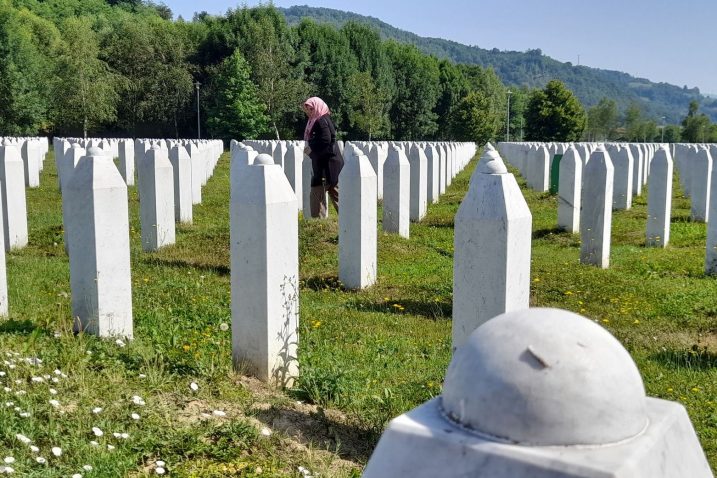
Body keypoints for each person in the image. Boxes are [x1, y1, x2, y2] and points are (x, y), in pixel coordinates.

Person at [303, 97, 343, 218]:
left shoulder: (320, 120)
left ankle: (317, 224)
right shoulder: (320, 119)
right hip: (326, 164)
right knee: (332, 192)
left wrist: (312, 148)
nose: (308, 111)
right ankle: (348, 220)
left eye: (310, 108)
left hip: (327, 165)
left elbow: (326, 139)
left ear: (317, 107)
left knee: (317, 193)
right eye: (307, 109)